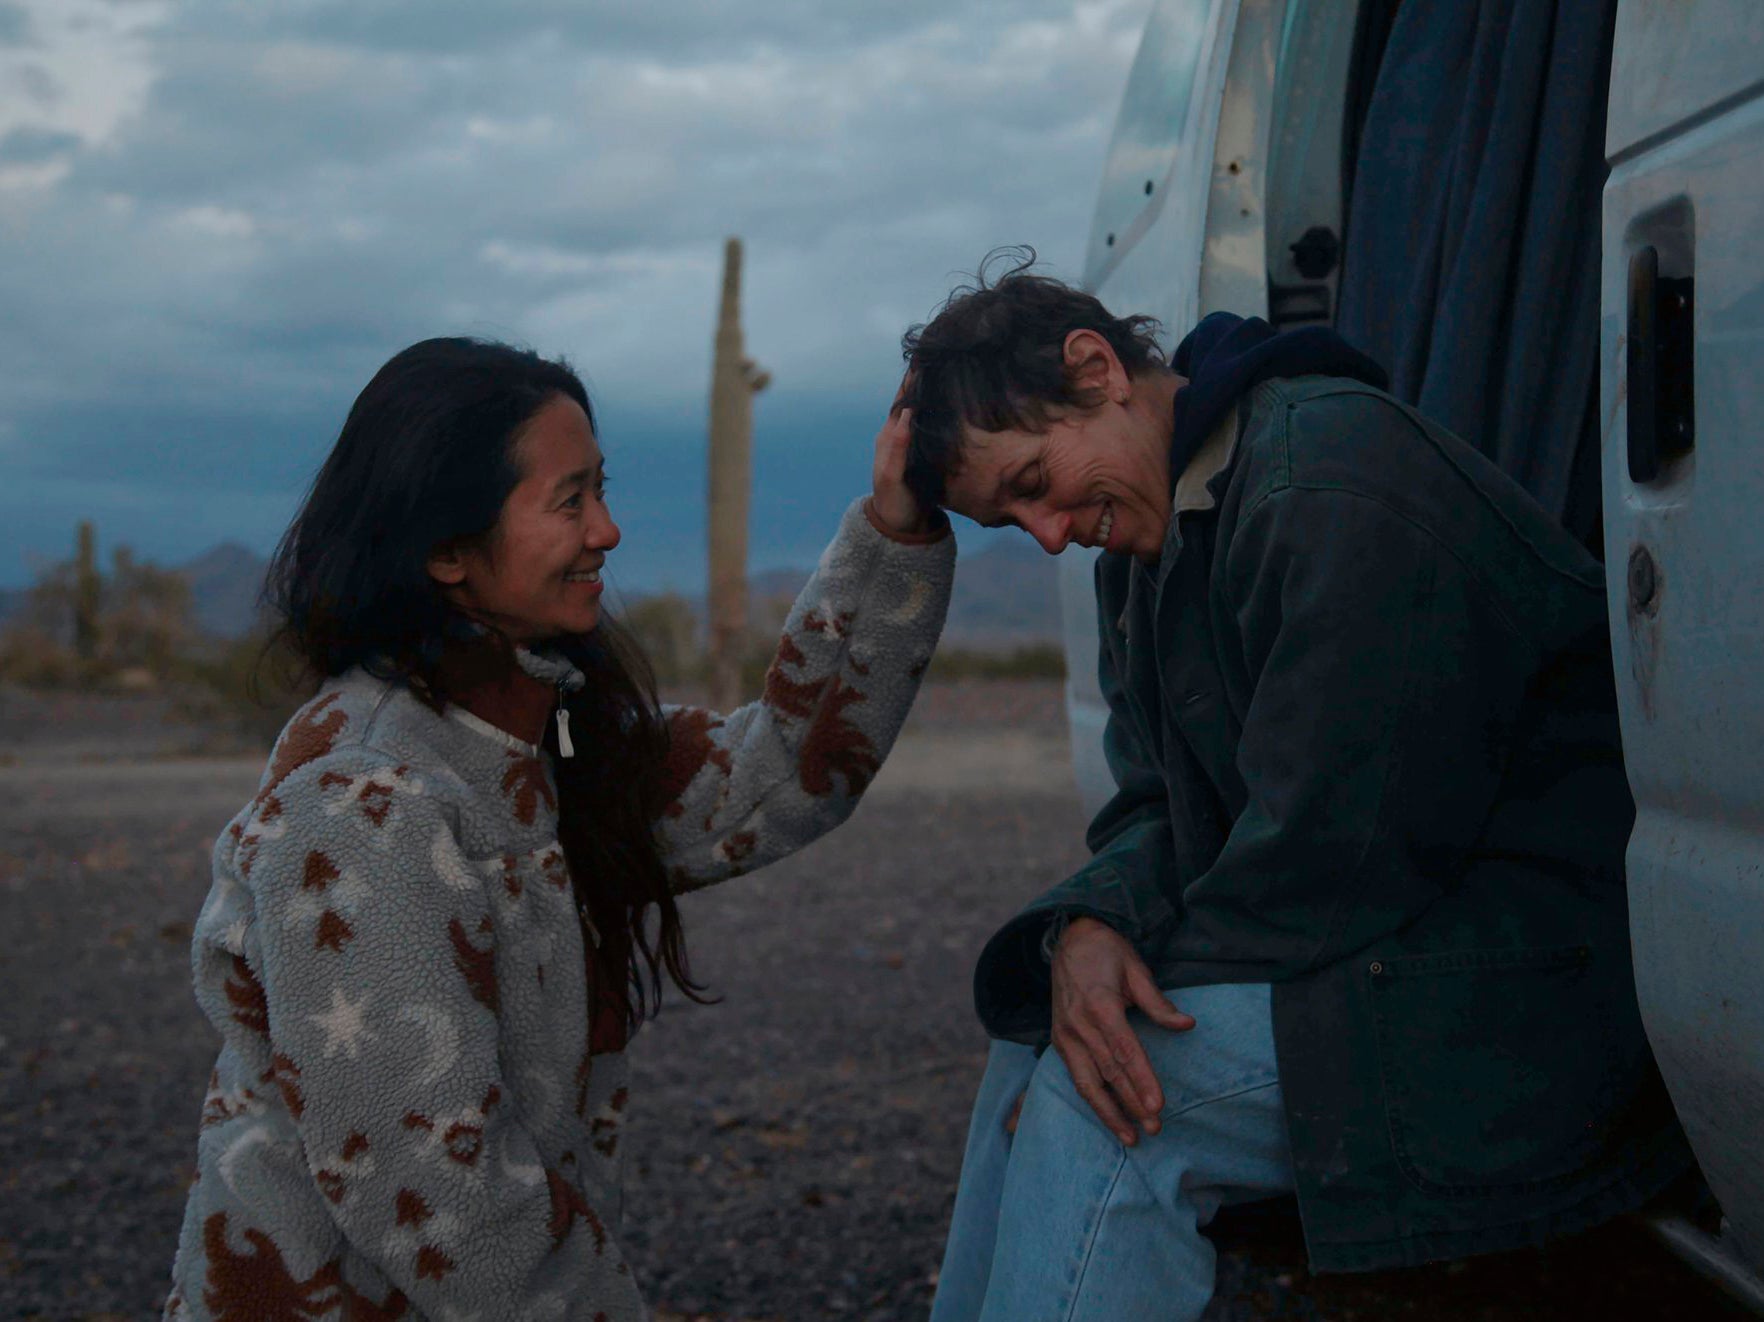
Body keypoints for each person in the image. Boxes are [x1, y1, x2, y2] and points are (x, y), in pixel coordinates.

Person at [902, 256, 1690, 1322]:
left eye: (1035, 483)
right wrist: (1089, 927)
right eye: (1013, 521)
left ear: (1096, 369)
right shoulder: (1150, 540)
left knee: (1109, 1098)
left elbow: (1339, 855)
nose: (1048, 534)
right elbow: (1153, 808)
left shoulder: (1328, 478)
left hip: (1531, 980)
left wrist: (1106, 988)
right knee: (1044, 1034)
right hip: (1388, 944)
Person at [163, 337, 953, 1321]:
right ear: (446, 548)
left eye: (601, 491)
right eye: (569, 500)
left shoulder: (540, 740)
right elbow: (443, 1198)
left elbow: (776, 777)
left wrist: (895, 530)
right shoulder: (364, 803)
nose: (609, 530)